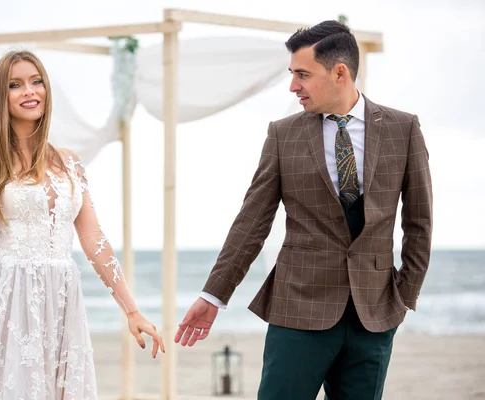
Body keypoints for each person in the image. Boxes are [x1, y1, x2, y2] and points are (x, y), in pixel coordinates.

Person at [175, 20, 432, 399]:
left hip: (373, 316)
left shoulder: (402, 128)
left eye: (302, 75)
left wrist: (403, 296)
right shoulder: (283, 135)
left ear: (339, 72)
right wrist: (214, 295)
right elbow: (252, 221)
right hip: (298, 311)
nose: (293, 86)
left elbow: (420, 221)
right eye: (292, 74)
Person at [0, 50, 164, 399]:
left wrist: (132, 310)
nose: (29, 91)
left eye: (36, 81)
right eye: (16, 85)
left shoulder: (69, 163)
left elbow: (93, 239)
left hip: (63, 299)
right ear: (0, 97)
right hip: (8, 299)